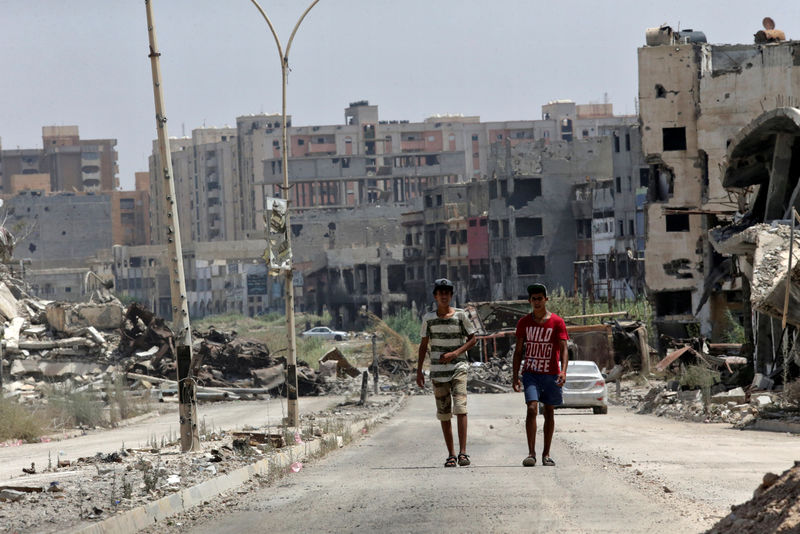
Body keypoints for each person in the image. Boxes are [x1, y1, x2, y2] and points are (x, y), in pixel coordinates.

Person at [416, 278, 477, 467]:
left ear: (451, 296)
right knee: (444, 413)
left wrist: (455, 353)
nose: (444, 296)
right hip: (437, 371)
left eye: (447, 293)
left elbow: (473, 338)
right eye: (440, 293)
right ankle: (451, 454)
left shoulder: (460, 316)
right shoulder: (429, 318)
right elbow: (423, 345)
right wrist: (419, 371)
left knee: (460, 408)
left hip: (459, 367)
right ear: (435, 296)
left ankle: (463, 453)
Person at [512, 283, 569, 467]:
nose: (537, 302)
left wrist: (563, 370)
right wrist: (515, 376)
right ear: (530, 301)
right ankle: (531, 453)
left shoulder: (557, 322)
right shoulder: (524, 323)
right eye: (533, 299)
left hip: (551, 373)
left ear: (546, 299)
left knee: (549, 411)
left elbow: (564, 348)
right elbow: (518, 351)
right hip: (531, 373)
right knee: (531, 408)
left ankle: (546, 454)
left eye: (540, 298)